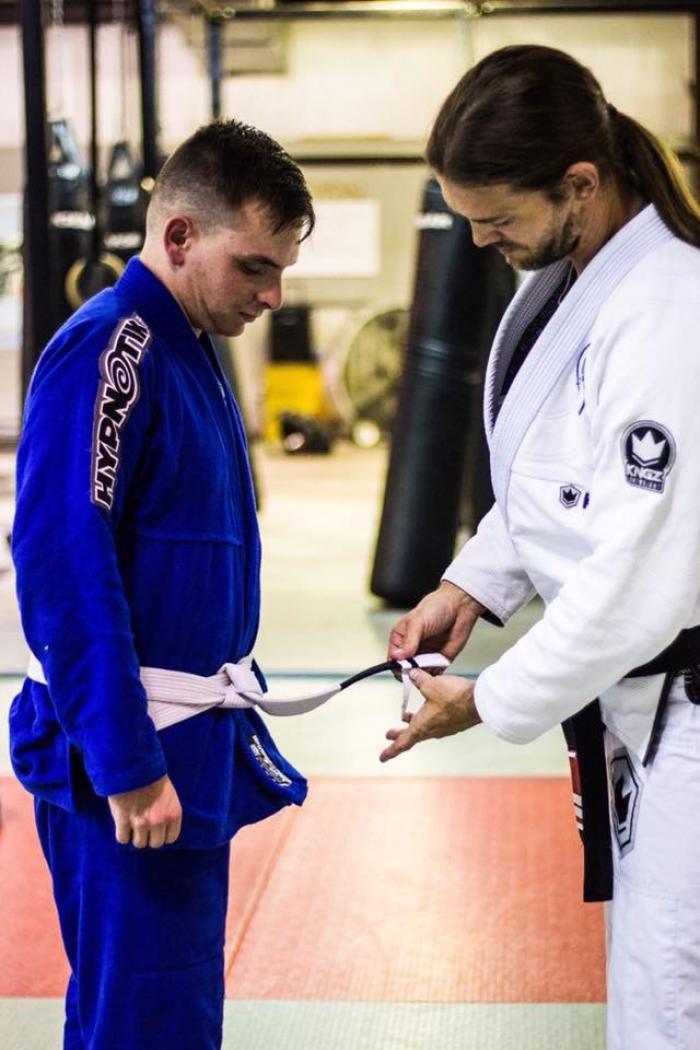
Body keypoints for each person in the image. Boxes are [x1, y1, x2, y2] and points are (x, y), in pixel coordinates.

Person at [380, 45, 700, 1050]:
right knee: (647, 984)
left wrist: (487, 699)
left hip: (683, 704)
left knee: (673, 999)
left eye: (498, 219)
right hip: (638, 707)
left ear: (580, 183)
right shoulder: (578, 279)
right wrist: (469, 586)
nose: (481, 240)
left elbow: (637, 580)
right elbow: (555, 480)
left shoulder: (668, 310)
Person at [10, 119, 314, 1049]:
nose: (271, 295)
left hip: (187, 745)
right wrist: (128, 766)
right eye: (254, 267)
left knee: (161, 1011)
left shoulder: (188, 344)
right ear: (179, 235)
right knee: (147, 1021)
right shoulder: (114, 348)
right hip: (134, 756)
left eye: (281, 272)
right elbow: (64, 564)